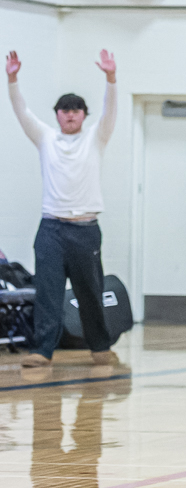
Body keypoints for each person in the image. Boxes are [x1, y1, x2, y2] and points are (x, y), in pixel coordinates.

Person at [6, 49, 119, 368]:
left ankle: (100, 347)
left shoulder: (96, 138)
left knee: (90, 292)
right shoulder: (45, 138)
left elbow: (111, 110)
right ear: (57, 115)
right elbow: (21, 111)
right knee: (48, 293)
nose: (70, 115)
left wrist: (111, 78)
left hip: (85, 230)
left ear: (84, 115)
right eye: (64, 111)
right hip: (51, 230)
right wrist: (12, 79)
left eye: (76, 110)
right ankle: (42, 350)